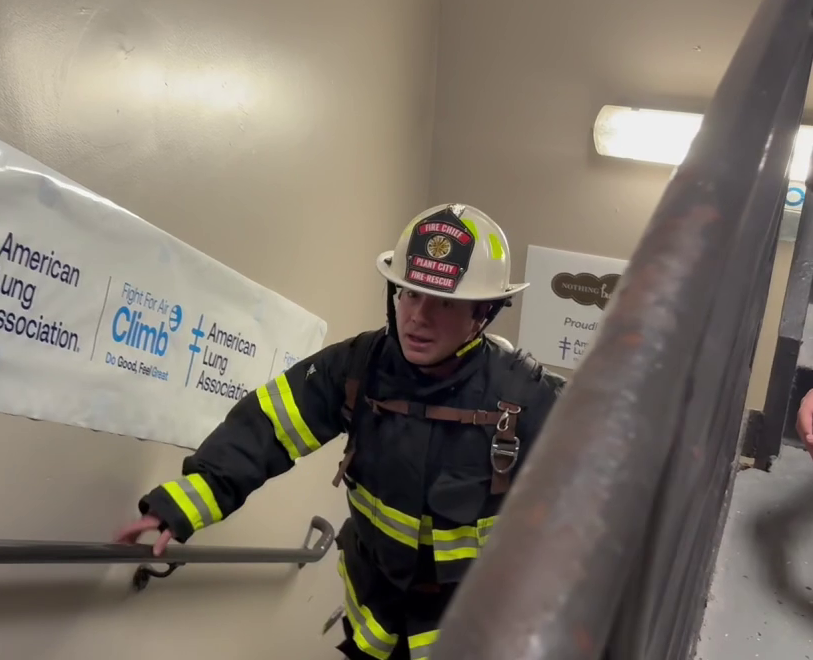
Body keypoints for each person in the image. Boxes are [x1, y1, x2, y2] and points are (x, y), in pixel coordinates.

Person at [114, 203, 566, 660]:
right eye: (410, 294)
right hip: (375, 617)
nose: (418, 316)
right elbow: (267, 427)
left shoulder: (526, 396)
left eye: (445, 302)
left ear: (483, 312)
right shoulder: (357, 367)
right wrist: (184, 502)